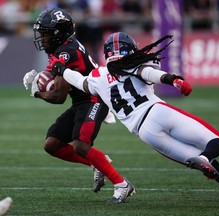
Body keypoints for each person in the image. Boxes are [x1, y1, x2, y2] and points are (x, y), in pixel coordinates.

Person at [49, 32, 219, 207]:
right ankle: (206, 157)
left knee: (211, 169)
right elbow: (147, 73)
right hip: (159, 113)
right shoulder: (133, 64)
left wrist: (61, 69)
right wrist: (173, 79)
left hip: (146, 133)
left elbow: (80, 82)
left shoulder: (98, 75)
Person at [22, 9, 134, 203]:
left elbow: (58, 96)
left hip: (94, 99)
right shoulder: (62, 48)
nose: (43, 37)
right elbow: (55, 75)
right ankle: (97, 163)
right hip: (81, 100)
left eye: (46, 33)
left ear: (58, 33)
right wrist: (42, 77)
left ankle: (122, 185)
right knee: (52, 145)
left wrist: (37, 92)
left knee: (81, 146)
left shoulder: (67, 52)